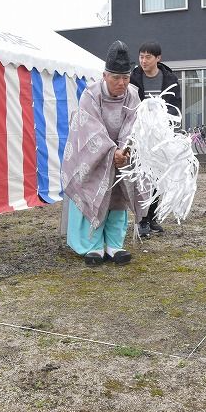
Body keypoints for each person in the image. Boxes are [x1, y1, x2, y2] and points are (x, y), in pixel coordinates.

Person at [61, 40, 145, 266]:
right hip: (93, 155)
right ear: (105, 75)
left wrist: (124, 149)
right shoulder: (91, 94)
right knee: (93, 193)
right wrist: (110, 151)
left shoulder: (133, 95)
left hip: (121, 154)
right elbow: (91, 129)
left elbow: (133, 123)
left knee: (118, 197)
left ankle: (114, 244)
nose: (121, 83)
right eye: (116, 78)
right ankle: (92, 245)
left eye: (125, 78)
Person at [130, 41, 182, 237]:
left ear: (158, 58)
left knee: (158, 177)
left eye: (148, 57)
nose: (143, 60)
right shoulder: (133, 78)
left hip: (161, 137)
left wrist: (171, 130)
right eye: (141, 56)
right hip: (139, 136)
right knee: (142, 178)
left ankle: (152, 217)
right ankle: (142, 220)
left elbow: (175, 107)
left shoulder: (170, 79)